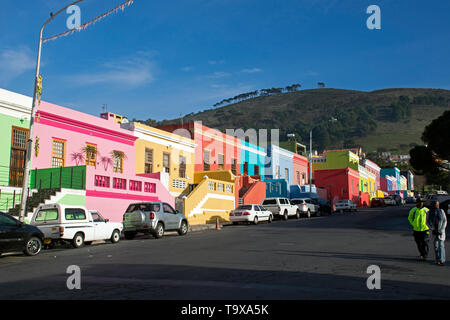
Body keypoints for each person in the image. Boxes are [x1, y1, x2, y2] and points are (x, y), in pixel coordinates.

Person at [427, 201, 447, 265]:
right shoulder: (429, 212)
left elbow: (444, 221)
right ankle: (437, 259)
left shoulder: (441, 211)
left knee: (441, 245)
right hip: (434, 231)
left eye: (438, 204)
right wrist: (432, 229)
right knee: (436, 246)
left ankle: (442, 259)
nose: (437, 205)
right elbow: (427, 222)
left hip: (441, 231)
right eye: (436, 204)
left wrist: (441, 229)